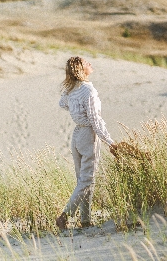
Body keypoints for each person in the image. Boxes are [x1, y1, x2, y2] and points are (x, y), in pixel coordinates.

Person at [55, 56, 116, 230]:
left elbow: (62, 104)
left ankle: (86, 220)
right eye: (86, 63)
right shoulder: (88, 90)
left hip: (76, 135)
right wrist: (110, 142)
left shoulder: (70, 89)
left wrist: (76, 111)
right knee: (87, 180)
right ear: (81, 69)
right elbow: (95, 121)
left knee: (83, 180)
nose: (90, 64)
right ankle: (64, 217)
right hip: (88, 135)